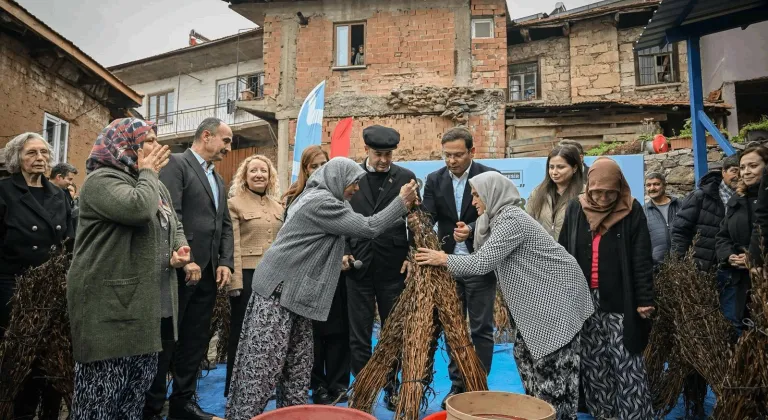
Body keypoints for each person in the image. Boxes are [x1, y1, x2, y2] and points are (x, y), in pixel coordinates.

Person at [226, 158, 419, 420]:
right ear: (338, 179)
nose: (356, 190)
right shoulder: (322, 202)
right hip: (278, 292)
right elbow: (368, 227)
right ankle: (242, 417)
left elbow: (314, 242)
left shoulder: (317, 196)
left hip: (296, 295)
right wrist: (401, 202)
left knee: (298, 366)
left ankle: (291, 415)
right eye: (354, 184)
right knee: (263, 366)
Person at [414, 171, 593, 420]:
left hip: (556, 299)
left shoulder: (512, 219)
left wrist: (442, 258)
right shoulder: (494, 220)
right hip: (536, 303)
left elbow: (481, 263)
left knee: (552, 373)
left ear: (493, 193)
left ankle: (558, 416)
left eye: (477, 195)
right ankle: (539, 412)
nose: (474, 201)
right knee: (525, 359)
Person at [67, 118, 190, 419]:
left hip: (148, 306)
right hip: (110, 308)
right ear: (123, 144)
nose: (155, 146)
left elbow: (173, 222)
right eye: (147, 140)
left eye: (154, 139)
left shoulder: (154, 183)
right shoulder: (101, 181)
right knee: (99, 403)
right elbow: (137, 209)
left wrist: (178, 247)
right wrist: (148, 171)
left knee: (132, 402)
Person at [144, 117, 235, 420]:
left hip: (208, 276)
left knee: (195, 341)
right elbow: (170, 214)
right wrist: (186, 257)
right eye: (226, 140)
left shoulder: (218, 179)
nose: (228, 147)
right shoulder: (178, 165)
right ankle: (153, 407)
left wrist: (224, 262)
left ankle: (182, 404)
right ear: (206, 136)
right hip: (180, 272)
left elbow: (224, 226)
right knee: (167, 341)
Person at [558, 157, 655, 420]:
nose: (602, 198)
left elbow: (642, 257)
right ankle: (605, 414)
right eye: (597, 192)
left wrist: (645, 298)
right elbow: (564, 253)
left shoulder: (631, 209)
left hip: (621, 297)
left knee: (627, 359)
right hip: (584, 298)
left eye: (609, 192)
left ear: (619, 186)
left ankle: (635, 416)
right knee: (594, 361)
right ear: (588, 187)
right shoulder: (576, 208)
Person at [415, 126, 497, 408]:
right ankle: (457, 385)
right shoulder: (434, 180)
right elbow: (427, 217)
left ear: (472, 152)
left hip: (480, 262)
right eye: (447, 155)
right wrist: (416, 217)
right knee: (453, 328)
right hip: (448, 266)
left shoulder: (487, 176)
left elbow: (497, 213)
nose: (452, 161)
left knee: (481, 328)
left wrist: (472, 228)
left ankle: (478, 384)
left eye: (458, 155)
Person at [0, 132, 72, 420]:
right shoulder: (4, 191)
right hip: (13, 285)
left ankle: (50, 412)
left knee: (52, 355)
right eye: (31, 153)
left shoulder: (59, 194)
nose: (39, 158)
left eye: (44, 152)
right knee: (22, 358)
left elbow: (69, 241)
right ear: (17, 158)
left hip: (52, 288)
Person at [345, 125, 417, 410]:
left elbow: (417, 220)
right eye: (378, 154)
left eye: (388, 154)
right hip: (357, 268)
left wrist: (411, 255)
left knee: (392, 332)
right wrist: (345, 253)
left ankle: (391, 387)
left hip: (392, 269)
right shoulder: (351, 177)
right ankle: (362, 389)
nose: (384, 160)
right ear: (366, 150)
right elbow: (338, 221)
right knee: (359, 335)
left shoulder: (406, 178)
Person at [224, 155, 283, 396]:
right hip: (247, 277)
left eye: (264, 171)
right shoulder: (234, 204)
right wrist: (235, 282)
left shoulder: (279, 206)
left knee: (270, 332)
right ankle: (235, 387)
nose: (259, 174)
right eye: (253, 171)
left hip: (275, 278)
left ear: (270, 177)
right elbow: (233, 246)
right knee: (241, 332)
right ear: (245, 177)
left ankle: (263, 386)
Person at [715, 146, 768, 335]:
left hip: (762, 276)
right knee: (737, 331)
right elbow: (722, 235)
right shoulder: (737, 199)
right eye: (742, 167)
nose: (746, 172)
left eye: (753, 166)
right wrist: (729, 256)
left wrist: (754, 258)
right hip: (737, 281)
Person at [526, 145, 584, 239]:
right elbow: (527, 225)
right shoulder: (537, 193)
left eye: (561, 167)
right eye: (551, 167)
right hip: (543, 251)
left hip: (571, 252)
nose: (554, 172)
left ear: (575, 168)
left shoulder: (584, 195)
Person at [643, 172, 681, 268]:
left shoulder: (681, 205)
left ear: (664, 186)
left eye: (656, 184)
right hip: (657, 267)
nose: (652, 188)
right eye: (648, 185)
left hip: (683, 265)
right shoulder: (643, 212)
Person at [282, 145, 328, 211]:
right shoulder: (295, 191)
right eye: (314, 166)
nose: (320, 169)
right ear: (306, 170)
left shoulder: (337, 189)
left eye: (323, 164)